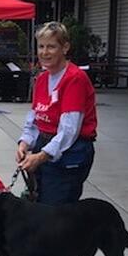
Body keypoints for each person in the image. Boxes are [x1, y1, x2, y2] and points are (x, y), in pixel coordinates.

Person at [16, 21, 97, 205]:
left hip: (70, 150)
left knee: (54, 212)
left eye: (51, 46)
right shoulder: (42, 78)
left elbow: (69, 130)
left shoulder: (74, 79)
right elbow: (35, 118)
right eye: (41, 46)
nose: (44, 52)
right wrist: (24, 142)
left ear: (65, 47)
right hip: (45, 144)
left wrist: (42, 156)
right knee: (38, 204)